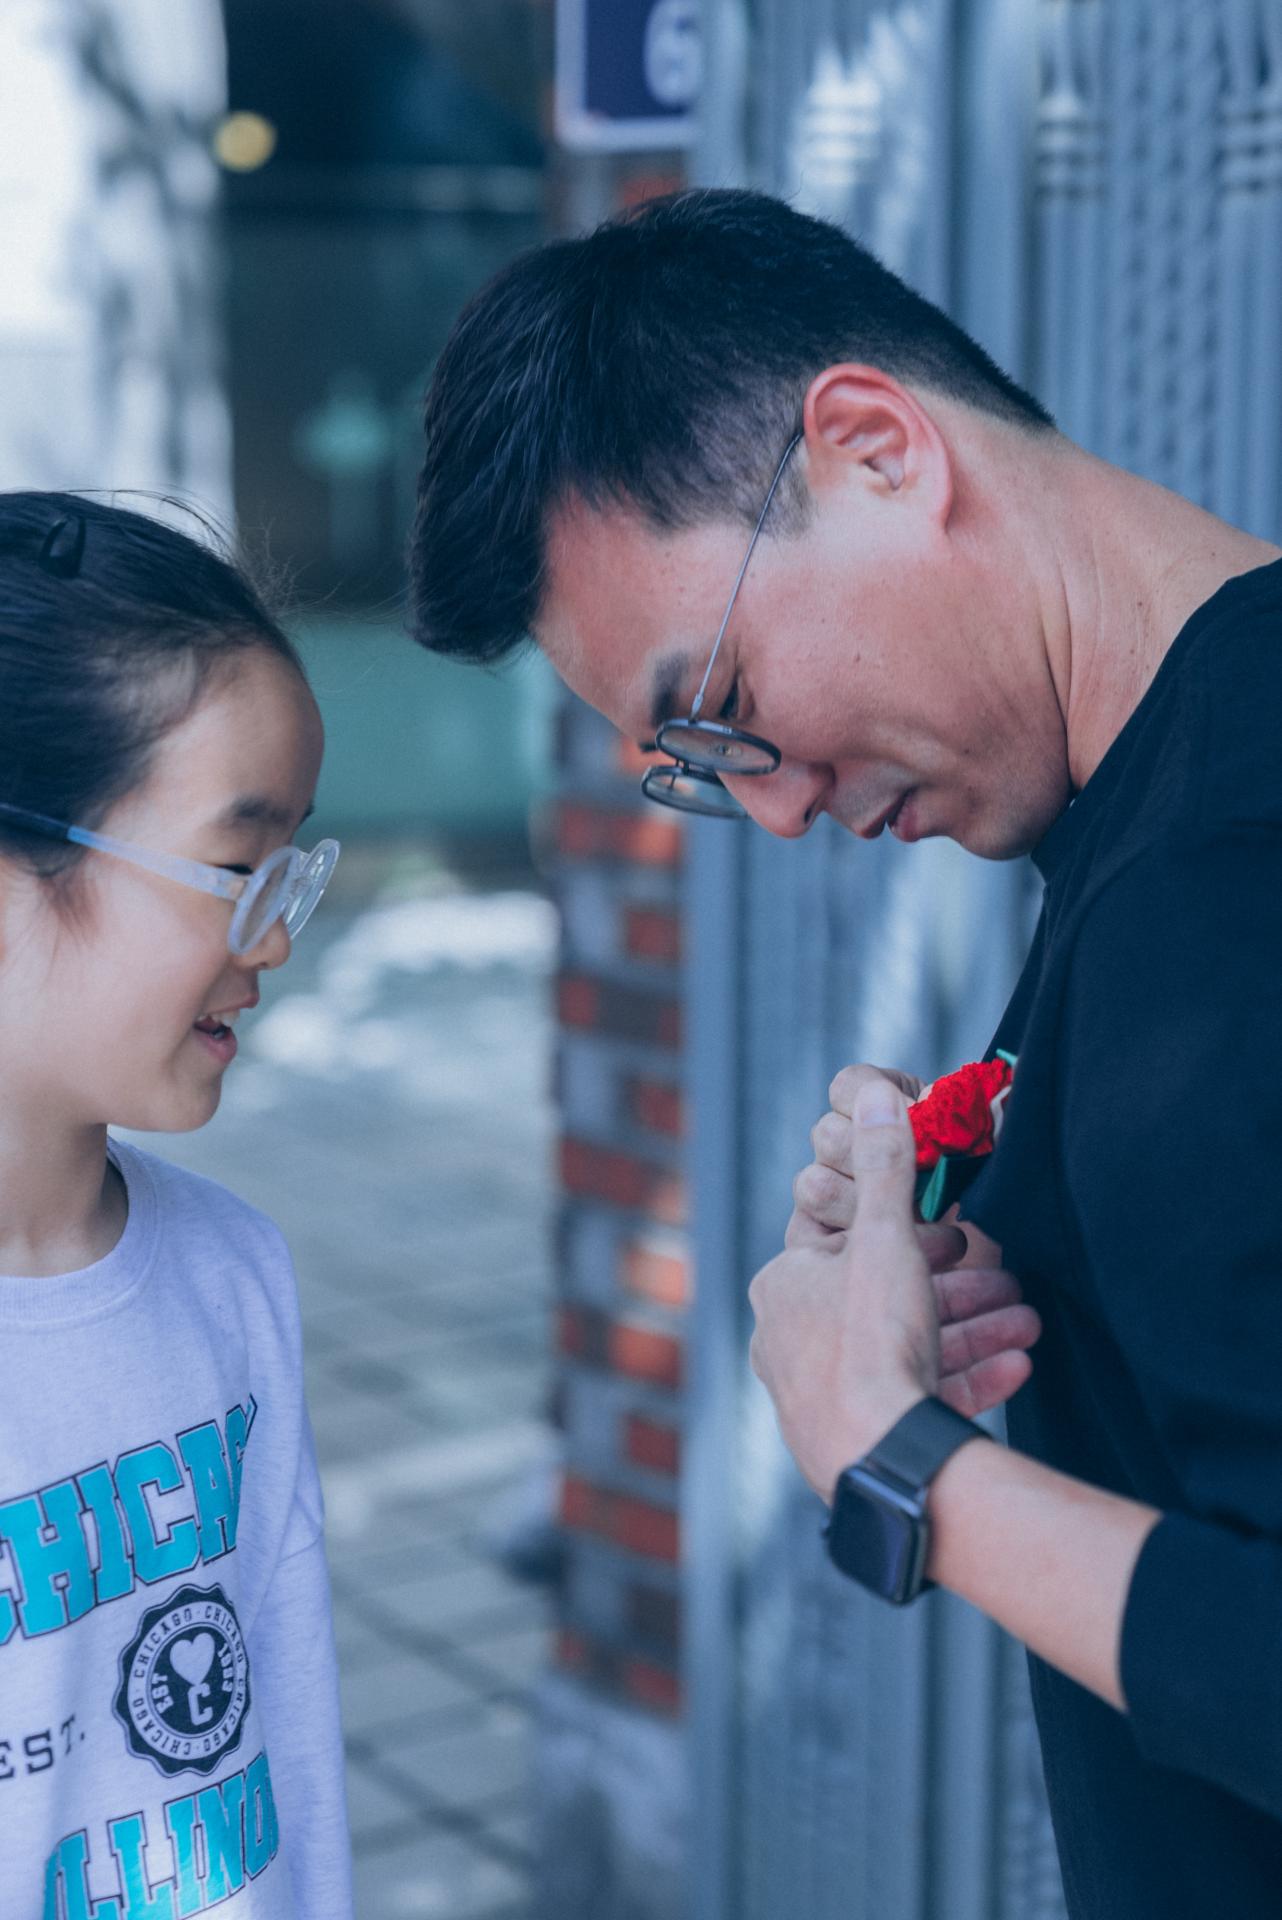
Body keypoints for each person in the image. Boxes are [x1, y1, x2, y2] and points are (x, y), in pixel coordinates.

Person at [407, 186, 1282, 1916]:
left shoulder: (1220, 882)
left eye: (722, 707)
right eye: (699, 772)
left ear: (878, 450)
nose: (777, 811)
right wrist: (996, 1247)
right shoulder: (1165, 806)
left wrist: (886, 1454)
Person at [0, 495, 353, 1917]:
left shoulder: (230, 1275)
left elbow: (292, 1747)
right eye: (234, 870)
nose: (274, 943)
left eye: (291, 873)